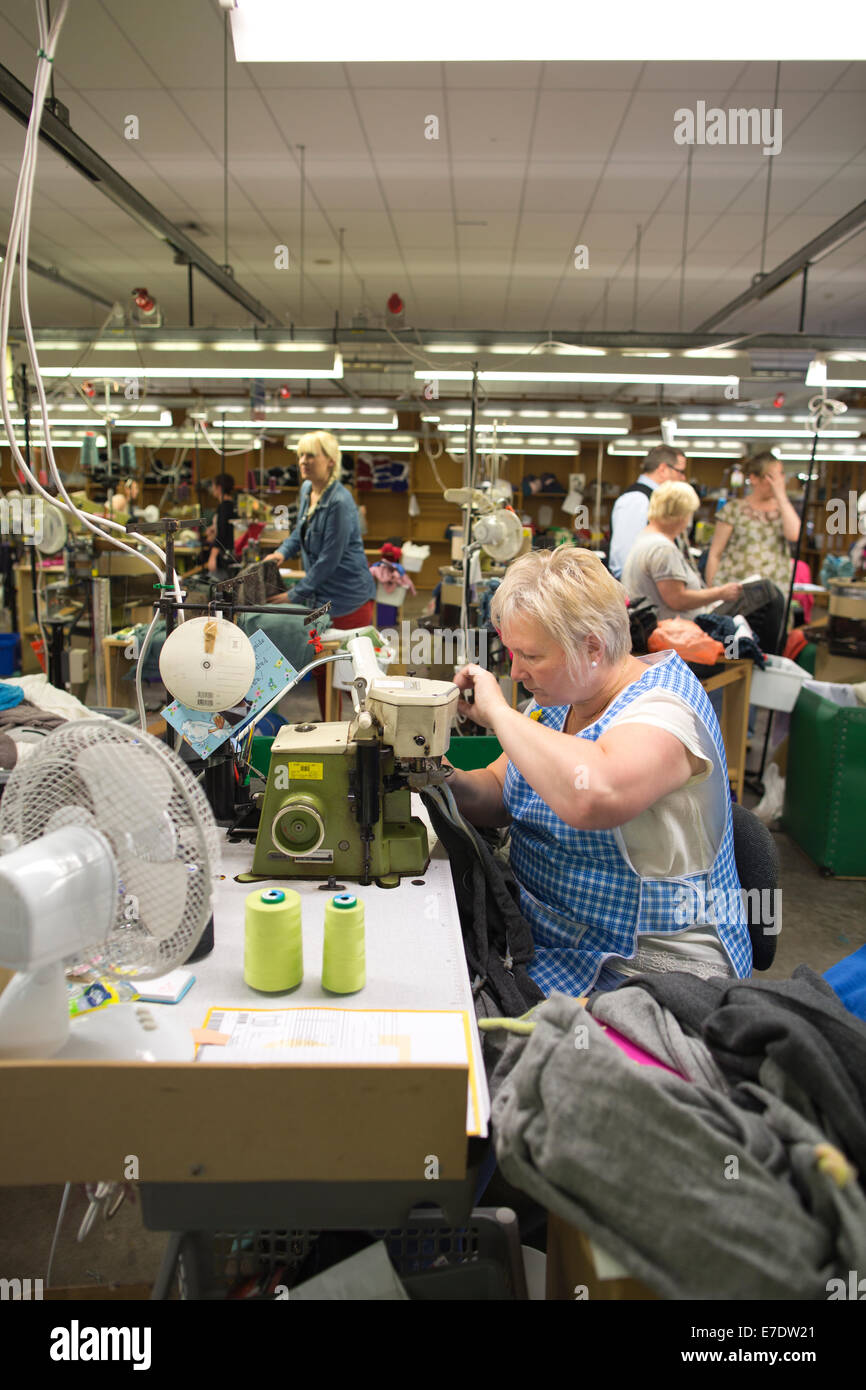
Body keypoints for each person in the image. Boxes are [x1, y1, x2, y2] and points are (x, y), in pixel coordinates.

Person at [444, 547, 752, 997]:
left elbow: (594, 796)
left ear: (592, 646)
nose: (515, 671)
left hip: (646, 969)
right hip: (552, 942)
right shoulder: (563, 698)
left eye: (530, 655)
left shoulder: (667, 708)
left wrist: (498, 714)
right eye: (511, 652)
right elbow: (498, 791)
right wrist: (436, 774)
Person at [265, 430, 375, 712]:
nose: (303, 461)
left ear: (330, 461)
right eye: (301, 455)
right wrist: (282, 552)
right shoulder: (307, 491)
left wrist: (295, 594)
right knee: (322, 671)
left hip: (349, 600)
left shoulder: (340, 502)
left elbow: (329, 559)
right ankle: (332, 731)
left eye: (311, 455)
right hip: (321, 600)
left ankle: (365, 741)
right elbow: (297, 533)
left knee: (354, 678)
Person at [622, 481, 783, 638]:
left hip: (675, 626)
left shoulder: (646, 538)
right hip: (677, 631)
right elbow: (678, 600)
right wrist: (720, 593)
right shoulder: (662, 549)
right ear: (681, 516)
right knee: (768, 594)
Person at [705, 453, 801, 595]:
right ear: (754, 478)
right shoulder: (734, 509)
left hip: (775, 592)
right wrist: (712, 592)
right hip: (737, 590)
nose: (778, 482)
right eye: (771, 477)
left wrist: (781, 496)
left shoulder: (784, 510)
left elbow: (794, 535)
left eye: (781, 475)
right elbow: (715, 554)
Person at [607, 445, 687, 578]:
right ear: (663, 470)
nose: (683, 478)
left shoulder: (654, 499)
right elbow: (624, 560)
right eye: (680, 471)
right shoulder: (637, 499)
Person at [205, 473, 236, 575]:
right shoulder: (231, 505)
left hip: (223, 556)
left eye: (213, 486)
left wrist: (212, 557)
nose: (212, 489)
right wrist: (214, 528)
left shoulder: (224, 507)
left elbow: (222, 533)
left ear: (219, 488)